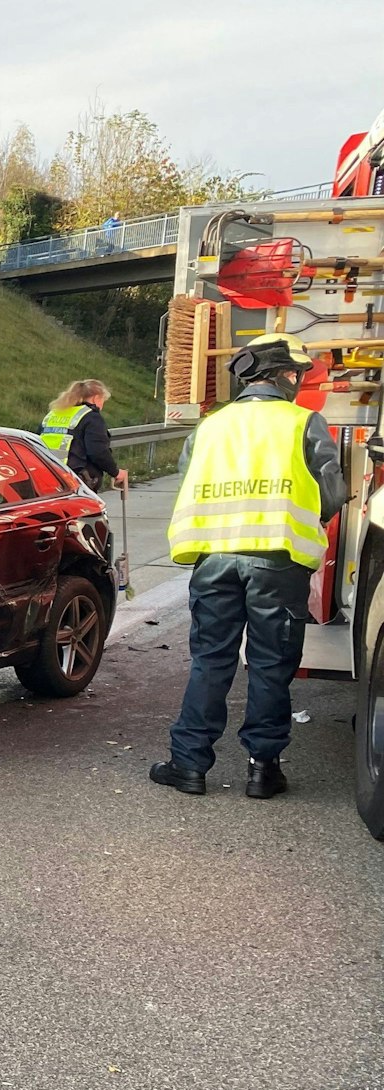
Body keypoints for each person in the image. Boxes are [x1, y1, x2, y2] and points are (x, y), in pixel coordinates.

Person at [152, 333, 346, 799]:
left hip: (213, 560)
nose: (299, 382)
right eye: (297, 374)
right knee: (270, 665)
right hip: (277, 564)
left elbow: (190, 478)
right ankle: (263, 769)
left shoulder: (211, 426)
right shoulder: (303, 423)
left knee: (210, 661)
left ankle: (189, 765)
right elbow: (332, 493)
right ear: (281, 375)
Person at [40, 380, 126, 491]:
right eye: (103, 400)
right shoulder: (91, 417)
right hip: (78, 480)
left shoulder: (53, 414)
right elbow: (98, 452)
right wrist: (116, 472)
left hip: (48, 476)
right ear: (96, 398)